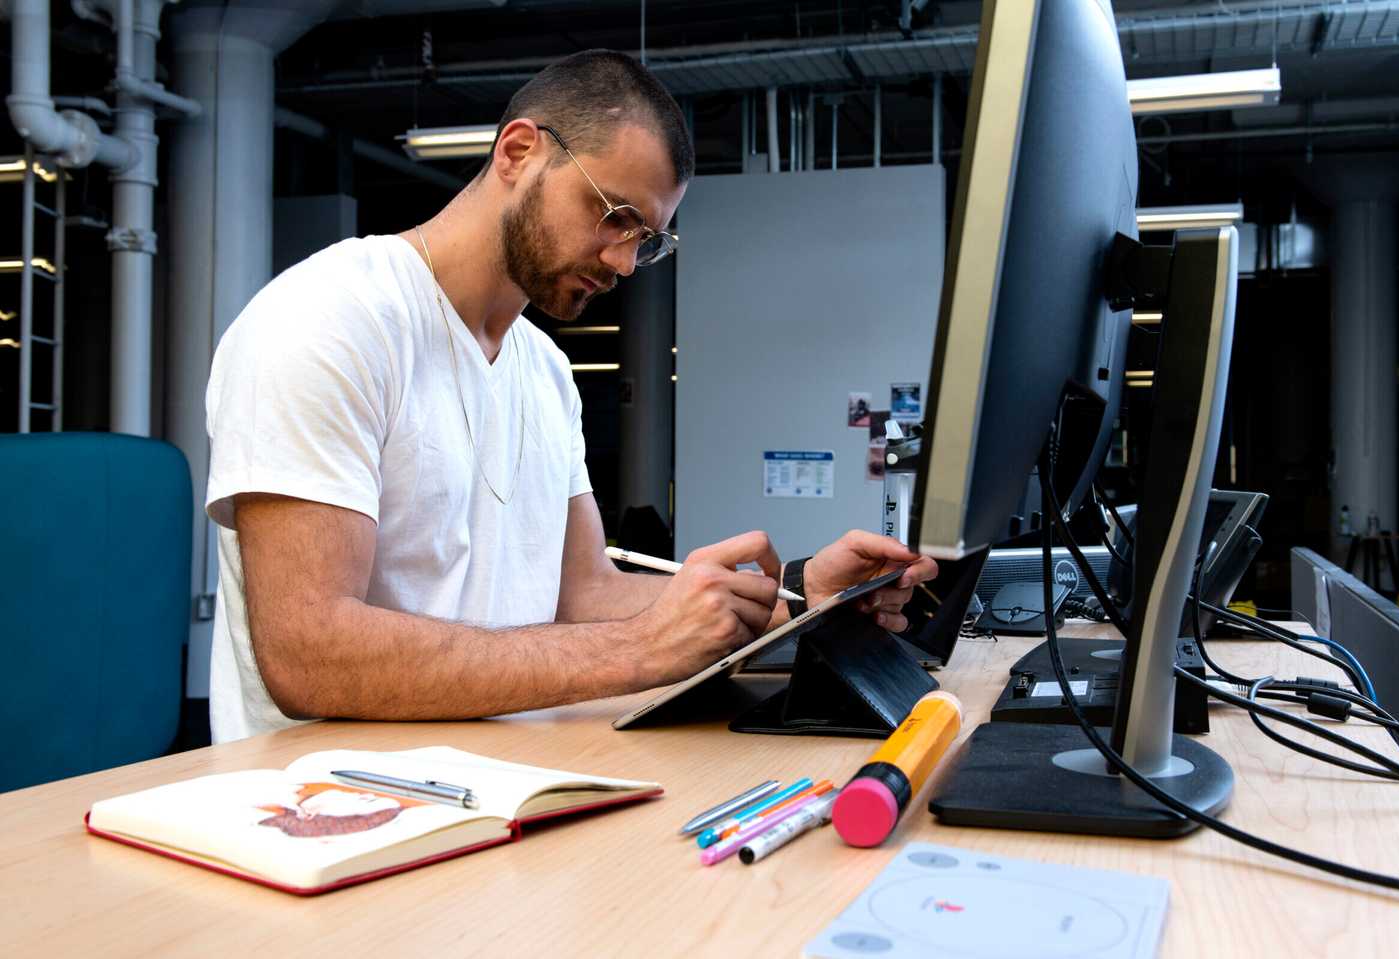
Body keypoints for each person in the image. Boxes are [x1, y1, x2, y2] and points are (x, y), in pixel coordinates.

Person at [204, 49, 938, 743]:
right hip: (327, 810)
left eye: (646, 239)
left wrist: (803, 593)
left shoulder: (545, 371)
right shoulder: (327, 321)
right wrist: (633, 652)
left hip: (496, 784)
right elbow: (308, 651)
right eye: (614, 214)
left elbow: (583, 594)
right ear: (519, 153)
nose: (624, 261)